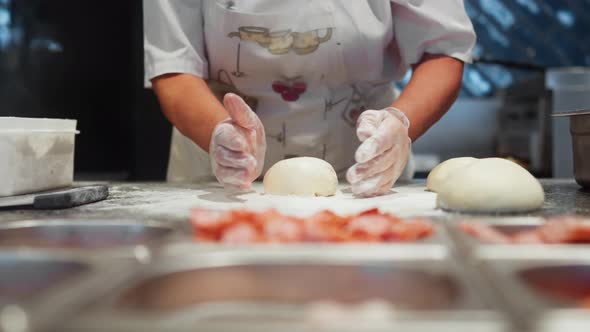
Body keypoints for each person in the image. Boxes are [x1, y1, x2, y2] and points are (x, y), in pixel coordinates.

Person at [143, 0, 476, 197]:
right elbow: (174, 64)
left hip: (367, 163)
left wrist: (401, 123)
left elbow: (443, 50)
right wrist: (220, 135)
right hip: (219, 175)